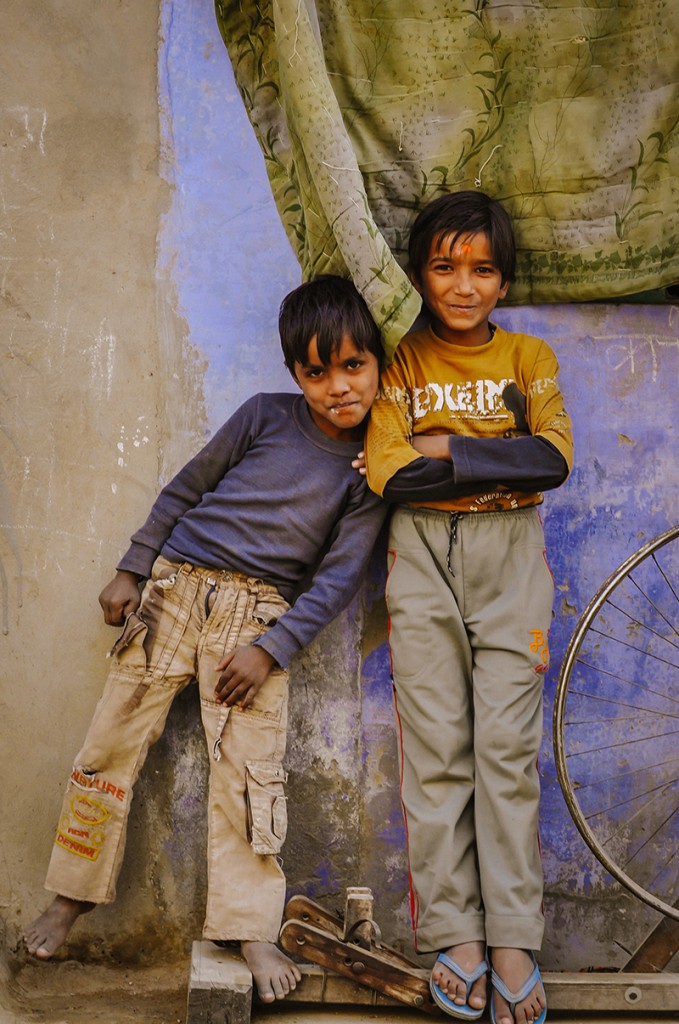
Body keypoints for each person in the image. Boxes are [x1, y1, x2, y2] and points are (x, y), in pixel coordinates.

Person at [24, 275, 387, 1004]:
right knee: (108, 749)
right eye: (316, 372)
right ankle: (70, 895)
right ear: (295, 375)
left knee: (251, 780)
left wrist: (270, 649)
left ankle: (248, 926)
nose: (337, 387)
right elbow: (186, 489)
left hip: (256, 622)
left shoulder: (370, 470)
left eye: (353, 366)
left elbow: (338, 577)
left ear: (380, 364)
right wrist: (130, 569)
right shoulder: (263, 416)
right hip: (174, 592)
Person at [363, 191, 573, 1024]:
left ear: (503, 280)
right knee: (439, 754)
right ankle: (455, 934)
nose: (462, 286)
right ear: (419, 274)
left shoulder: (527, 355)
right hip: (420, 557)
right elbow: (392, 475)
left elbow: (552, 459)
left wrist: (445, 443)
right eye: (444, 267)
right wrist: (497, 456)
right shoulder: (401, 359)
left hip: (511, 561)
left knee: (505, 755)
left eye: (481, 269)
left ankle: (513, 936)